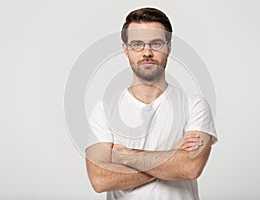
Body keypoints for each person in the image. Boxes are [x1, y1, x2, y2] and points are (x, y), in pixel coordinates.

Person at [85, 7, 217, 200]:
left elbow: (189, 167)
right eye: (137, 44)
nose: (147, 52)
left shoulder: (194, 106)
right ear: (126, 49)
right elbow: (100, 180)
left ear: (169, 47)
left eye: (156, 43)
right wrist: (171, 159)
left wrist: (123, 156)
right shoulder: (104, 109)